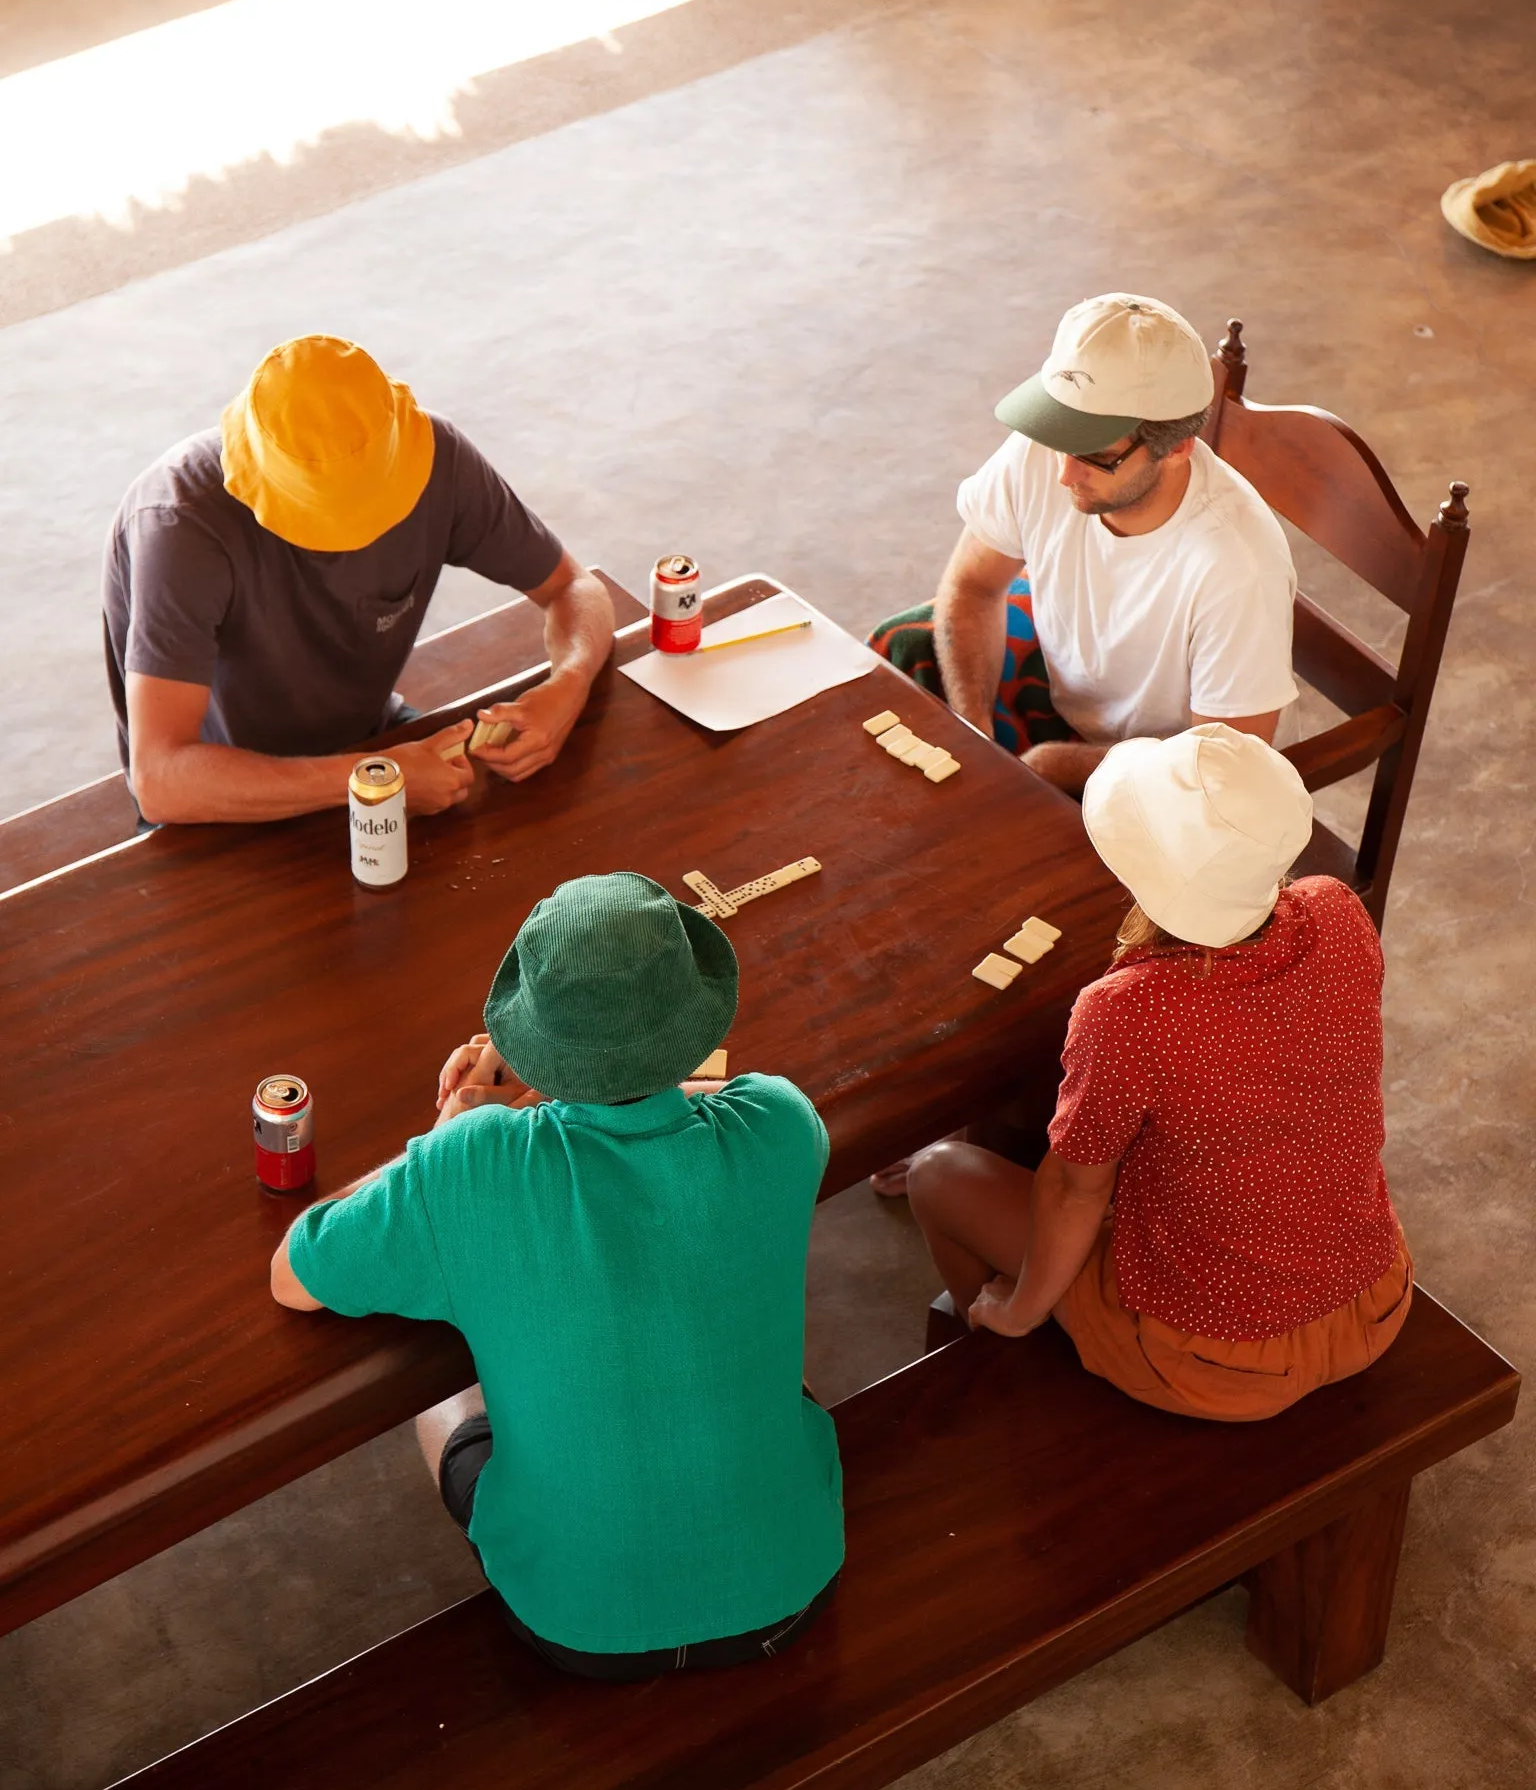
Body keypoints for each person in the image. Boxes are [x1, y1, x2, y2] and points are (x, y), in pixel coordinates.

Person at [269, 871, 844, 1678]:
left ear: (531, 1034)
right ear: (699, 1009)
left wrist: (452, 1131)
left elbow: (295, 1269)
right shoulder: (781, 1124)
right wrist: (565, 1078)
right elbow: (695, 1103)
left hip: (578, 1622)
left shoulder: (468, 1168)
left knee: (443, 1400)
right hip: (790, 1584)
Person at [907, 725, 1413, 1421]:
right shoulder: (1337, 909)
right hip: (1372, 1296)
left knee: (936, 1175)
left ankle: (1009, 1373)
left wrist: (1021, 1307)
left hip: (1216, 1359)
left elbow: (1075, 1194)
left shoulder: (1127, 1012)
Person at [104, 334, 614, 825]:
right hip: (222, 791)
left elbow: (575, 588)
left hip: (369, 738)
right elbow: (162, 780)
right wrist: (373, 778)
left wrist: (568, 684)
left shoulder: (439, 459)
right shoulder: (180, 524)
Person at [868, 294, 1300, 798]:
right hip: (1068, 690)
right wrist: (976, 734)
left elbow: (1221, 769)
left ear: (1178, 447)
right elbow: (975, 587)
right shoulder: (1047, 452)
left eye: (1098, 456)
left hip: (1178, 772)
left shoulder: (1236, 567)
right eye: (1059, 435)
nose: (1063, 473)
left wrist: (1056, 766)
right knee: (904, 645)